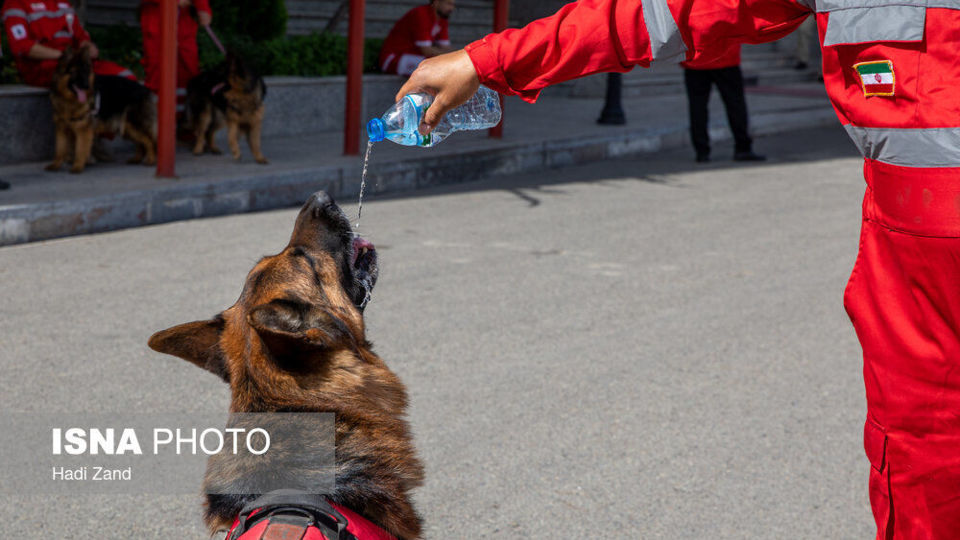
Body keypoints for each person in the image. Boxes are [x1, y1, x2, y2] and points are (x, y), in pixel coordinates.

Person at [397, 1, 960, 537]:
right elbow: (657, 14)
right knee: (927, 474)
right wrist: (489, 60)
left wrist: (488, 60)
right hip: (919, 287)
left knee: (926, 467)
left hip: (919, 278)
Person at [1, 0, 134, 87]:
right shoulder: (16, 3)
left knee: (126, 77)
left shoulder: (62, 3)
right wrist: (64, 56)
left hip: (76, 62)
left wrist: (88, 46)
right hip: (43, 68)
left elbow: (80, 36)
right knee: (91, 83)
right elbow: (22, 47)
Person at [681, 44, 764, 163]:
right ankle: (743, 148)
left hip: (696, 59)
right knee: (735, 104)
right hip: (725, 56)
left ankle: (701, 152)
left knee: (698, 107)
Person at [140, 0, 211, 114]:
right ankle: (156, 116)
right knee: (157, 73)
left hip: (184, 23)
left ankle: (185, 117)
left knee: (189, 72)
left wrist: (203, 8)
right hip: (156, 20)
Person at [379, 0, 453, 76]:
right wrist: (452, 57)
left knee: (445, 68)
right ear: (436, 3)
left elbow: (446, 48)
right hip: (393, 59)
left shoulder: (442, 19)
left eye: (453, 5)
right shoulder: (421, 14)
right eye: (448, 4)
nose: (452, 8)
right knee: (437, 69)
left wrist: (455, 58)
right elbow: (427, 51)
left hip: (415, 57)